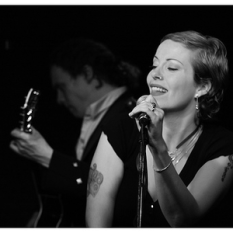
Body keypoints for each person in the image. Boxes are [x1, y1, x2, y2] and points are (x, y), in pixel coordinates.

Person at [85, 30, 233, 227]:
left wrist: (157, 147)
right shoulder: (120, 129)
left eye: (171, 68)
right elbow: (96, 225)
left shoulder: (222, 146)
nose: (155, 73)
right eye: (154, 65)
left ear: (202, 87)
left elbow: (181, 219)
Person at [9, 38, 141, 227]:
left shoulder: (131, 115)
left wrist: (48, 156)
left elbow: (122, 192)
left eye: (62, 88)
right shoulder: (93, 117)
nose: (59, 99)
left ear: (87, 74)